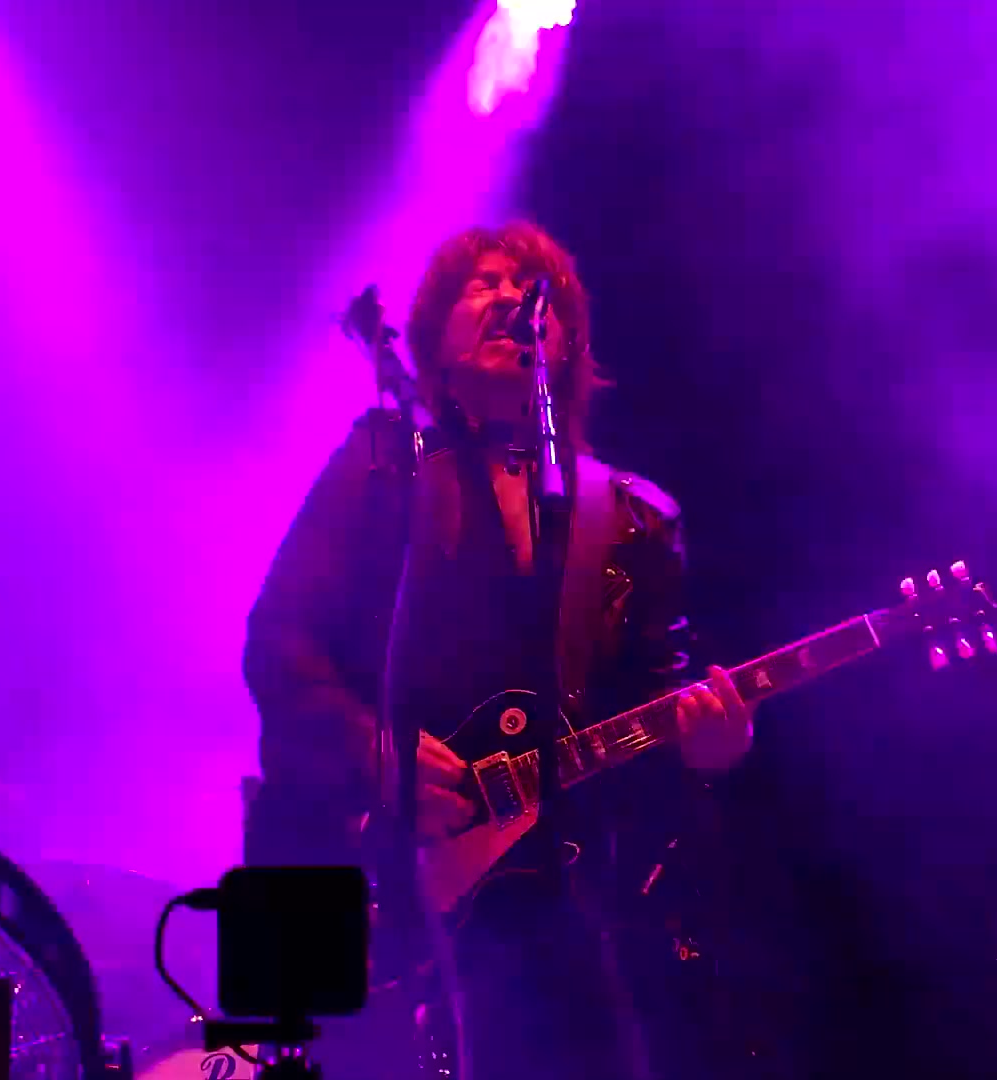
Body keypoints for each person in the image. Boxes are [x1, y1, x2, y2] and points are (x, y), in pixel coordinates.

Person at [240, 221, 755, 1080]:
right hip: (370, 891)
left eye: (530, 291)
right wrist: (376, 754)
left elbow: (653, 722)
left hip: (560, 920)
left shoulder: (634, 518)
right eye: (483, 285)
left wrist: (711, 750)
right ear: (435, 341)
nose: (512, 299)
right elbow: (278, 641)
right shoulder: (383, 464)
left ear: (566, 343)